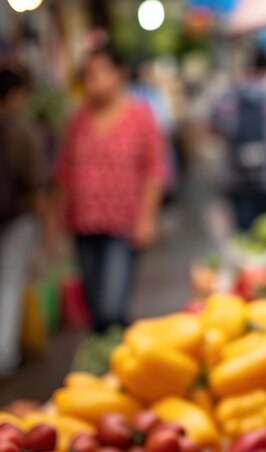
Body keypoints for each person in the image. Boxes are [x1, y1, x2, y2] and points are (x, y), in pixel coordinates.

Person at [54, 47, 167, 333]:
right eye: (89, 75)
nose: (95, 81)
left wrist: (147, 218)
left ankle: (122, 350)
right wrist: (56, 223)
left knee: (111, 305)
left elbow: (155, 170)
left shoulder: (140, 116)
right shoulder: (77, 120)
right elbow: (64, 172)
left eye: (102, 72)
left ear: (119, 74)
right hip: (84, 223)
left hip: (123, 224)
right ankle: (108, 361)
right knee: (93, 305)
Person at [0, 68, 52, 376]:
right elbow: (35, 182)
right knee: (9, 283)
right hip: (15, 217)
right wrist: (47, 225)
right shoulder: (21, 129)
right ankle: (4, 353)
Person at [208, 48, 266, 230]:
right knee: (265, 228)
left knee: (242, 229)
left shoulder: (228, 96)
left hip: (235, 176)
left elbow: (212, 126)